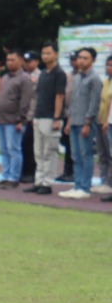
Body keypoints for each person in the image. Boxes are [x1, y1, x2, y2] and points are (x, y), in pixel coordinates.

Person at [60, 47, 102, 199]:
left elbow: (94, 102)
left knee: (86, 154)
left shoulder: (95, 79)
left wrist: (87, 122)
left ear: (93, 61)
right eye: (80, 57)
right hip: (74, 121)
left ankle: (85, 187)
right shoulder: (77, 78)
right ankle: (77, 185)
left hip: (85, 122)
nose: (81, 60)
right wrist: (68, 121)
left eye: (85, 58)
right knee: (75, 155)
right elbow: (73, 102)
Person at [29, 43, 67, 194]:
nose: (45, 56)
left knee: (49, 151)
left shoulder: (59, 73)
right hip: (39, 115)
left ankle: (47, 182)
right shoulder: (43, 73)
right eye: (43, 53)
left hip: (51, 117)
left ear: (55, 54)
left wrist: (57, 117)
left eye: (48, 53)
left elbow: (60, 96)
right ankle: (38, 180)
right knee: (38, 152)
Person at [0, 49, 31, 188]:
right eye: (8, 60)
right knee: (3, 149)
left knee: (14, 149)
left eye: (12, 60)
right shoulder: (6, 77)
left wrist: (21, 119)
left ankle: (14, 178)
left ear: (20, 61)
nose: (9, 63)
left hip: (14, 121)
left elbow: (25, 101)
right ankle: (6, 175)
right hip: (1, 119)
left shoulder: (24, 78)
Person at [19, 50, 38, 184]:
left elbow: (36, 99)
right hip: (21, 116)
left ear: (36, 62)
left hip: (33, 116)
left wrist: (31, 116)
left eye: (30, 61)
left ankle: (31, 172)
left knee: (31, 146)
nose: (27, 64)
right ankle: (23, 171)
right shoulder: (22, 75)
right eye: (25, 61)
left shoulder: (39, 76)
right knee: (21, 146)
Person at [97, 54, 112, 199]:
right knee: (103, 154)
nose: (109, 68)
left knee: (110, 154)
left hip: (109, 122)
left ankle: (109, 183)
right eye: (107, 65)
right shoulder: (105, 82)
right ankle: (103, 181)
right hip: (101, 121)